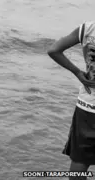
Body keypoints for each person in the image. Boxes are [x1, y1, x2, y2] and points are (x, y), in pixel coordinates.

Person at [48, 23, 95, 179]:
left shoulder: (88, 28)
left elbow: (54, 50)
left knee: (79, 163)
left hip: (88, 106)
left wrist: (77, 72)